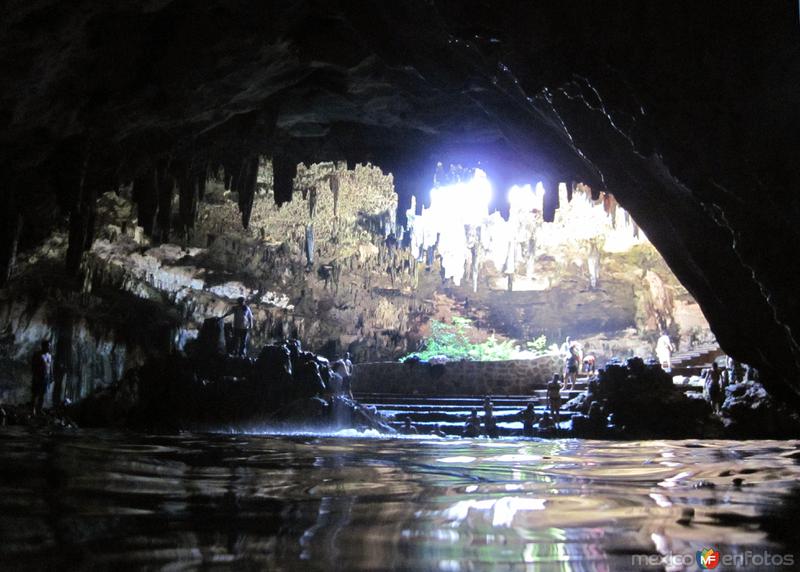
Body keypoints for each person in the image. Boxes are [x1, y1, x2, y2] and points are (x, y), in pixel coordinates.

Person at [31, 340, 53, 415]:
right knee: (35, 394)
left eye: (50, 346)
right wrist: (35, 376)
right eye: (48, 346)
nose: (49, 347)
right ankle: (32, 409)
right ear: (43, 346)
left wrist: (51, 376)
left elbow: (50, 367)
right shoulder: (37, 355)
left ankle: (39, 409)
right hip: (38, 377)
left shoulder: (49, 356)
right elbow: (33, 367)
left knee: (42, 394)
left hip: (46, 378)